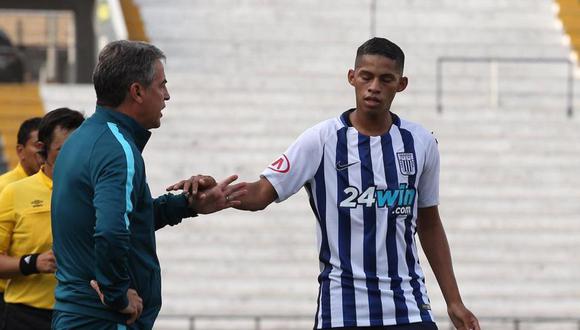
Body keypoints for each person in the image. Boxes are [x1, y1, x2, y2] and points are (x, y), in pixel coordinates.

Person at [172, 38, 480, 330]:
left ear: (401, 84)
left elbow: (429, 224)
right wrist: (217, 194)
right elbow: (262, 193)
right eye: (366, 76)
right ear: (351, 77)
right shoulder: (321, 140)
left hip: (409, 307)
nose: (374, 87)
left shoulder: (421, 143)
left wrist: (453, 301)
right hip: (342, 311)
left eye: (386, 79)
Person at [50, 40, 246, 330]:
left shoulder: (83, 139)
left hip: (76, 315)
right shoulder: (117, 149)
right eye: (162, 85)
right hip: (102, 320)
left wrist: (187, 204)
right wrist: (117, 296)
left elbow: (119, 222)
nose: (167, 95)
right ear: (137, 91)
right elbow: (110, 231)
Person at [0, 108, 84, 330]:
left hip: (81, 312)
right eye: (63, 150)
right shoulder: (13, 192)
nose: (73, 156)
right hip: (26, 315)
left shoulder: (94, 191)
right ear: (42, 149)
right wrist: (32, 263)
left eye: (79, 149)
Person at [0, 116, 42, 325]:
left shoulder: (57, 187)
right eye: (37, 146)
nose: (42, 152)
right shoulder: (5, 188)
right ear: (19, 150)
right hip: (8, 299)